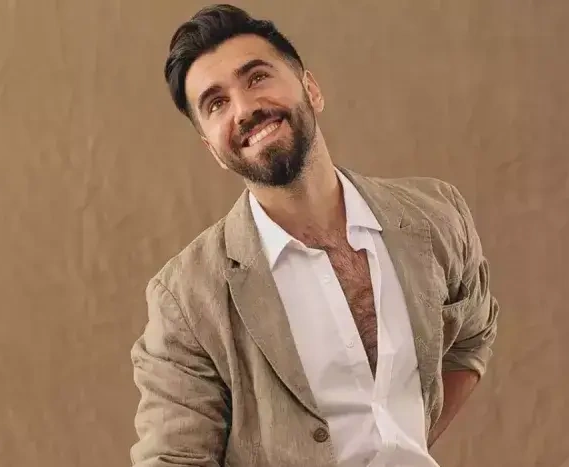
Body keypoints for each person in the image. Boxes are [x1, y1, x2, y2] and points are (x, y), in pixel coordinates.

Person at [130, 4, 499, 466]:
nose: (245, 108)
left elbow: (471, 340)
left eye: (257, 77)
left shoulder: (435, 216)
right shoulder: (186, 299)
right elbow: (172, 459)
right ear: (213, 149)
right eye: (216, 103)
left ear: (311, 89)